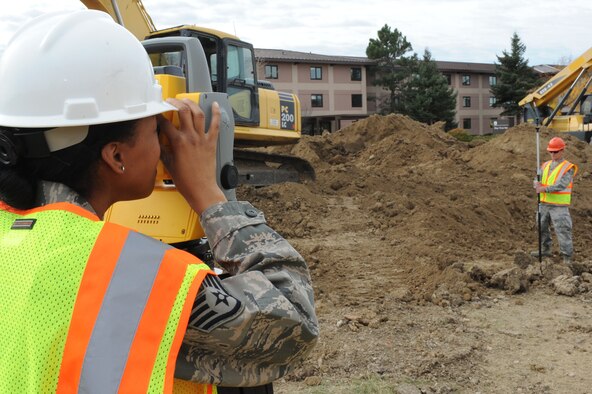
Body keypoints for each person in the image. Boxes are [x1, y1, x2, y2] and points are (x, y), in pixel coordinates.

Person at [0, 10, 318, 393]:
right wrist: (211, 196)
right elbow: (292, 326)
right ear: (116, 156)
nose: (166, 141)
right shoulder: (127, 278)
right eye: (156, 126)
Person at [532, 136, 578, 264]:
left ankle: (567, 257)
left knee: (563, 230)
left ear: (562, 151)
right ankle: (545, 249)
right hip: (544, 204)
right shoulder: (545, 165)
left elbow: (561, 185)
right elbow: (537, 178)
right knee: (541, 227)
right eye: (550, 151)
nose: (552, 154)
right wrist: (536, 184)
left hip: (559, 206)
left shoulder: (568, 167)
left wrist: (544, 189)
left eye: (555, 151)